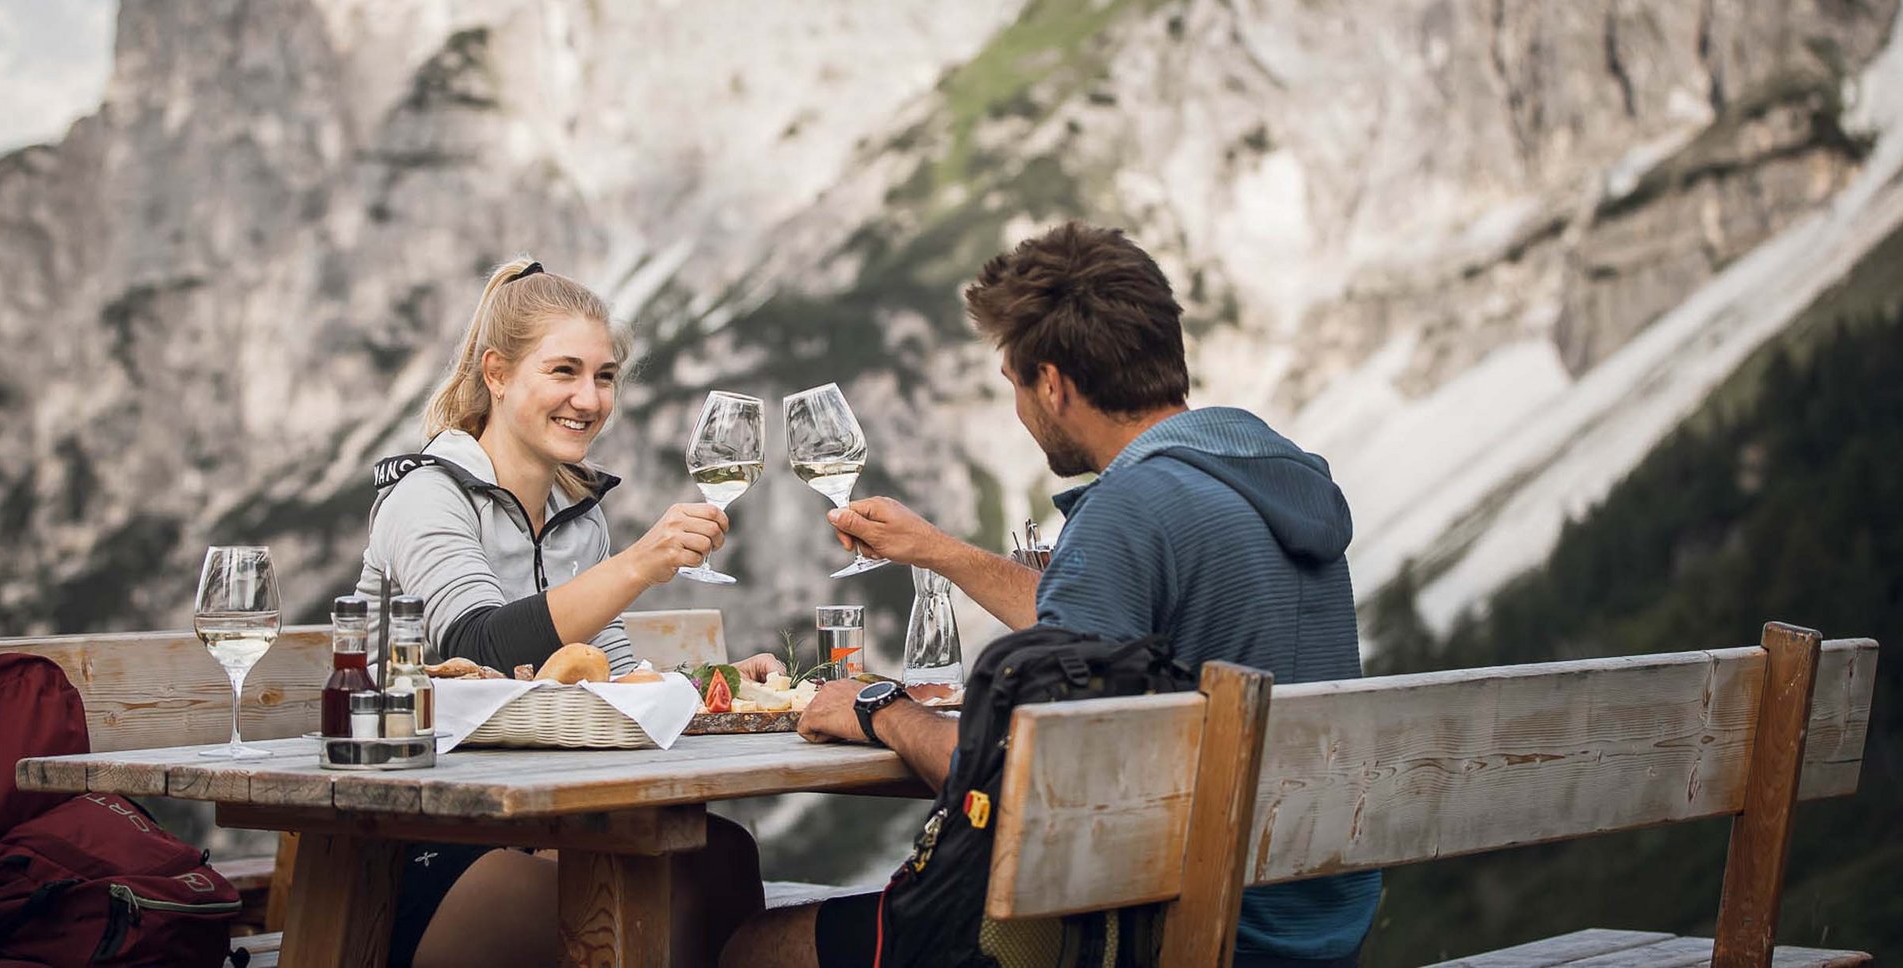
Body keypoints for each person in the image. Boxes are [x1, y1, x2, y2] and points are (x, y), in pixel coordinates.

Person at [721, 222, 1382, 968]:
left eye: (1013, 384)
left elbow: (1029, 795)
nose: (1019, 408)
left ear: (1054, 383)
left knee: (752, 946)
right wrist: (937, 550)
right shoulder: (1267, 481)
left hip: (1170, 933)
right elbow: (1112, 638)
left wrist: (880, 710)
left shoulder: (1131, 508)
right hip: (1310, 923)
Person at [356, 258, 777, 968]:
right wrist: (640, 565)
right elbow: (477, 642)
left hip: (541, 819)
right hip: (420, 840)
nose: (589, 398)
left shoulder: (577, 518)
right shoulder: (427, 495)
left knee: (723, 854)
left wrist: (721, 678)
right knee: (660, 897)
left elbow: (611, 674)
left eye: (605, 376)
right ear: (496, 373)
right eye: (564, 372)